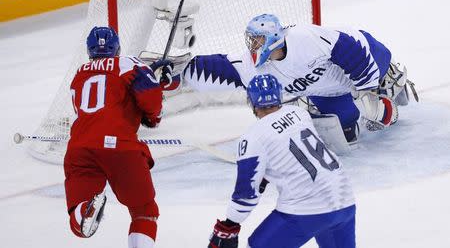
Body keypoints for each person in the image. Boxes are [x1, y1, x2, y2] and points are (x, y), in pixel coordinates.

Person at [183, 14, 417, 143]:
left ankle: (388, 77)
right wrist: (180, 71)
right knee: (346, 136)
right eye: (251, 40)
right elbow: (217, 68)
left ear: (273, 38)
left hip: (366, 55)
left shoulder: (304, 38)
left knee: (377, 111)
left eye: (257, 40)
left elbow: (349, 46)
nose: (253, 45)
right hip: (327, 90)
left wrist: (367, 89)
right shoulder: (252, 65)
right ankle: (323, 102)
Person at [208, 74, 356, 248]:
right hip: (345, 198)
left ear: (252, 102)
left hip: (306, 208)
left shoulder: (253, 137)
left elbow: (246, 193)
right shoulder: (300, 114)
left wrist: (230, 223)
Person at [64, 26, 173, 248]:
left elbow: (106, 93)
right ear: (118, 48)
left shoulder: (80, 73)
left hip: (79, 148)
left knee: (78, 214)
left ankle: (85, 210)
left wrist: (146, 75)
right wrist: (152, 116)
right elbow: (150, 99)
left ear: (89, 51)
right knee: (144, 212)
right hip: (119, 148)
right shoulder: (128, 64)